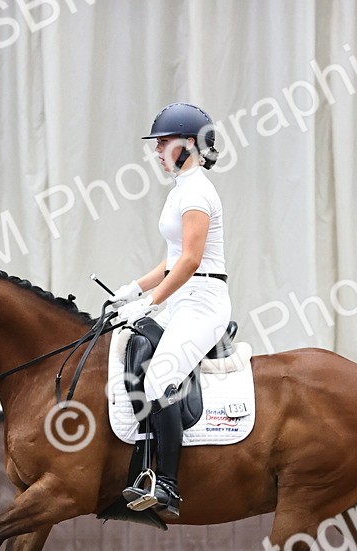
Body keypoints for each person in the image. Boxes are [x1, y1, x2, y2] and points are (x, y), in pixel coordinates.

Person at [111, 103, 230, 521]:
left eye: (163, 143)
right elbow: (170, 260)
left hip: (203, 299)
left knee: (162, 376)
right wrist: (132, 291)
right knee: (122, 341)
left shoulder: (197, 192)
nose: (157, 151)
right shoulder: (180, 190)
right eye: (157, 144)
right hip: (181, 294)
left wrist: (153, 300)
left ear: (188, 145)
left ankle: (168, 486)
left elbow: (192, 260)